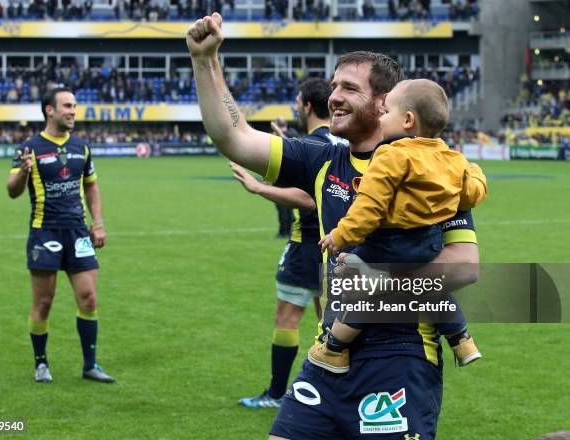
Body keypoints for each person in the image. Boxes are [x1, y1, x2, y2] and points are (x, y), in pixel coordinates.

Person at [187, 13, 480, 439]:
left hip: (399, 357)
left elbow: (464, 265)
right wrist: (205, 60)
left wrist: (372, 287)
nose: (333, 97)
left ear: (385, 103)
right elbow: (234, 137)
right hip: (328, 357)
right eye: (333, 86)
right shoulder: (323, 157)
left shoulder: (432, 169)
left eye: (349, 88)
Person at [311, 78, 486, 374]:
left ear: (407, 120)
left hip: (389, 244)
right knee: (434, 290)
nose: (380, 115)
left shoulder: (390, 155)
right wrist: (477, 174)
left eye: (387, 111)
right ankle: (462, 340)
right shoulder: (453, 159)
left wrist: (342, 235)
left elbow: (369, 206)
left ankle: (334, 349)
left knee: (361, 291)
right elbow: (470, 195)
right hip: (428, 244)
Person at [232, 78, 345, 408]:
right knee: (332, 323)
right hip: (340, 246)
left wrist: (258, 188)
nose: (297, 106)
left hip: (307, 243)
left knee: (287, 318)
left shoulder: (313, 144)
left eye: (298, 101)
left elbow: (309, 198)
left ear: (308, 106)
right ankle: (334, 395)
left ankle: (277, 394)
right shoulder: (341, 143)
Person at [6, 87, 115, 384]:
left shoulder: (82, 146)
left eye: (75, 106)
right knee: (43, 303)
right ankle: (41, 363)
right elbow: (12, 190)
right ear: (49, 110)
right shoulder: (29, 147)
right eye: (67, 106)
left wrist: (98, 222)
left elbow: (91, 185)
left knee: (89, 299)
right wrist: (23, 173)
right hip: (45, 231)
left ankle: (90, 365)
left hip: (78, 231)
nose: (73, 111)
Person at [271, 117, 300, 238]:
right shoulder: (276, 135)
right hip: (280, 174)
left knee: (286, 206)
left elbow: (289, 144)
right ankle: (285, 231)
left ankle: (285, 231)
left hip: (288, 174)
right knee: (282, 206)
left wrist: (277, 131)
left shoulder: (292, 133)